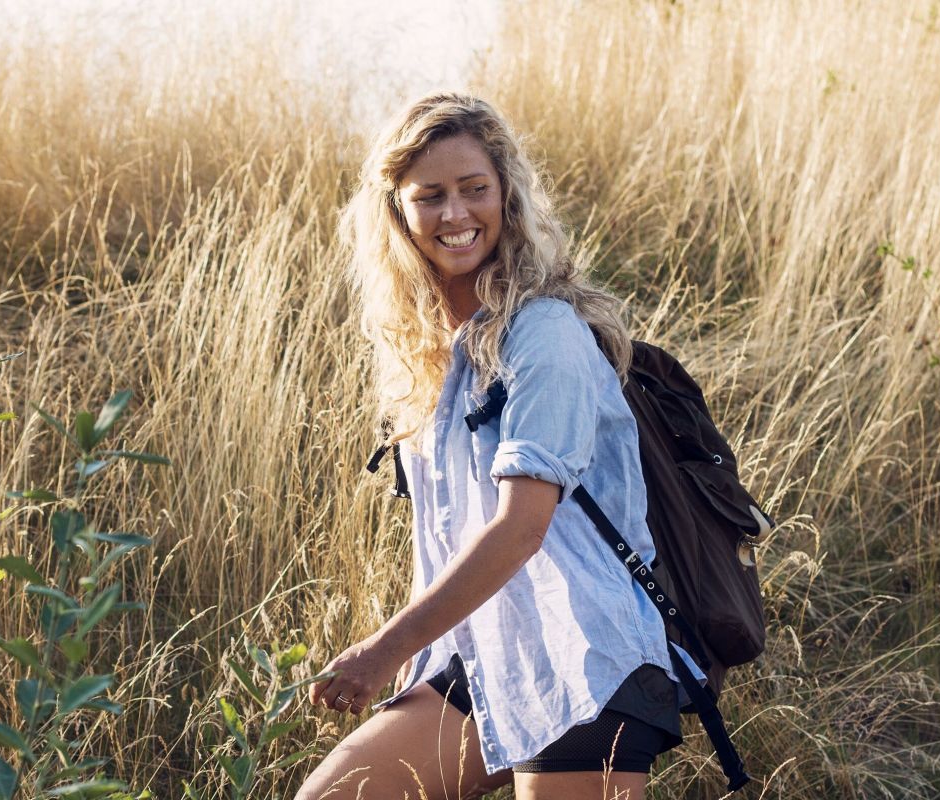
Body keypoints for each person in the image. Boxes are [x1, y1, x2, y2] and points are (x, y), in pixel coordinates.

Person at [292, 93, 700, 800]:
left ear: (506, 197)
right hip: (480, 659)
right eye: (432, 196)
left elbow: (520, 528)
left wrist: (384, 651)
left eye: (474, 190)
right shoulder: (437, 361)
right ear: (399, 214)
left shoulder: (544, 334)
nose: (455, 214)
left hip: (584, 661)